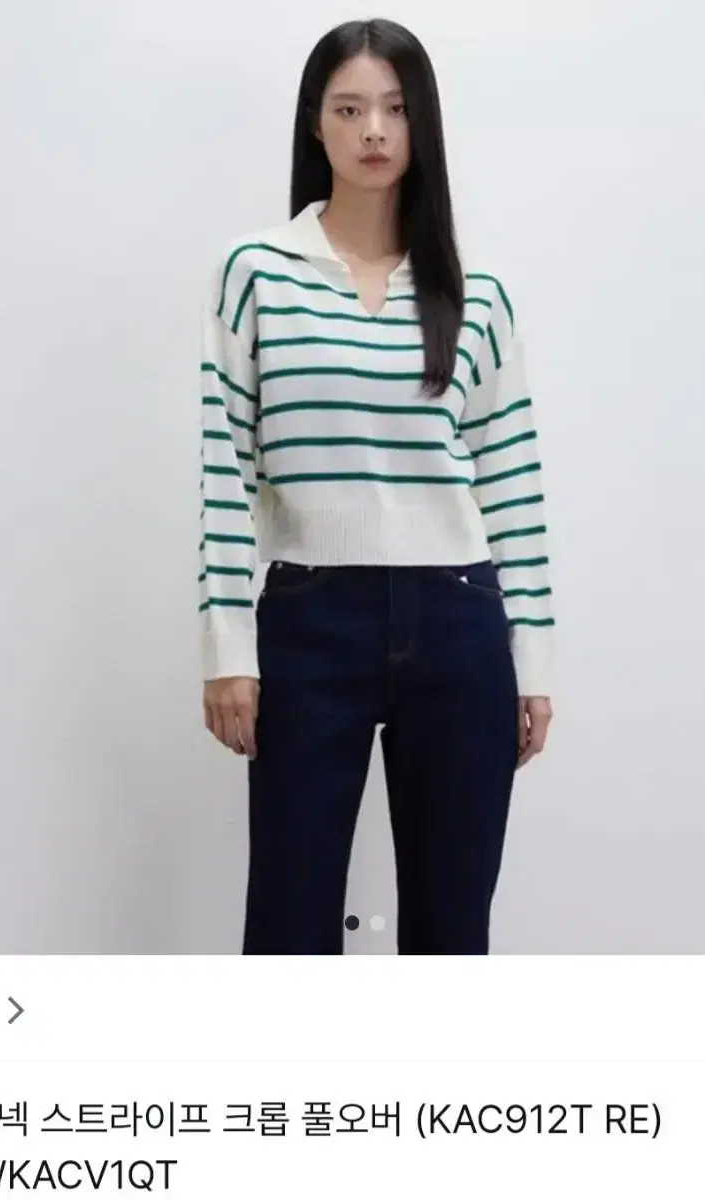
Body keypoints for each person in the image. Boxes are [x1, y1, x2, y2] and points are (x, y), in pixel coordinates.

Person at [197, 18, 555, 955]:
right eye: (349, 109)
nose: (373, 131)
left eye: (395, 109)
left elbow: (511, 481)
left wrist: (534, 662)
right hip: (309, 618)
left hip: (460, 621)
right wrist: (227, 647)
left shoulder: (477, 291)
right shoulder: (256, 273)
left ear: (421, 124)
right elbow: (224, 466)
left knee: (450, 934)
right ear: (314, 124)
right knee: (288, 925)